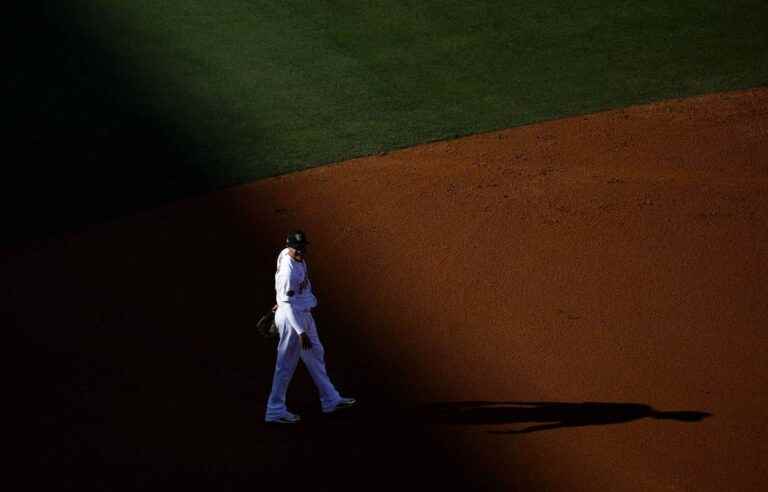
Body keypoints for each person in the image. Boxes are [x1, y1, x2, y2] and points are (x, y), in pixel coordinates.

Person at [265, 230, 356, 424]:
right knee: (286, 365)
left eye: (302, 248)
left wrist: (282, 299)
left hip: (302, 313)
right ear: (289, 247)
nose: (300, 252)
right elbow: (286, 302)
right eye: (297, 249)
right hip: (293, 321)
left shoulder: (291, 256)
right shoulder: (288, 272)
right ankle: (274, 410)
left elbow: (286, 296)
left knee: (316, 355)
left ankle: (330, 399)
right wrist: (300, 331)